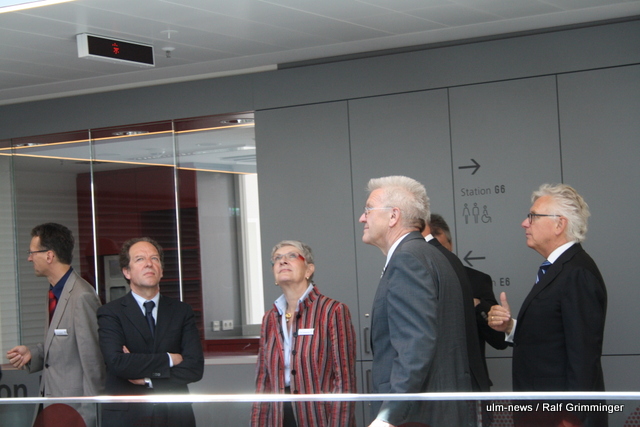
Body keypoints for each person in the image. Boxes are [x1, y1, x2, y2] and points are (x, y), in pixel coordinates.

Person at [488, 184, 607, 427]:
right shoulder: (559, 269)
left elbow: (583, 356)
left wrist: (572, 417)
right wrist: (510, 327)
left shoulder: (577, 273)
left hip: (560, 417)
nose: (524, 223)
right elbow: (553, 336)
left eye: (533, 216)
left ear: (559, 224)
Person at [359, 176, 472, 427]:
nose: (362, 218)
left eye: (368, 209)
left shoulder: (407, 259)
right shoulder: (431, 255)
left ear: (393, 216)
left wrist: (388, 416)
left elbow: (414, 345)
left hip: (417, 417)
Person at [97, 237, 204, 427]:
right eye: (140, 259)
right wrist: (170, 359)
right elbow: (118, 363)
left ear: (161, 270)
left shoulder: (182, 311)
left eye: (154, 258)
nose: (149, 263)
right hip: (128, 417)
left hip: (175, 416)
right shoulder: (110, 313)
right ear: (126, 271)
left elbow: (194, 368)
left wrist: (148, 379)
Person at [6, 223, 105, 427]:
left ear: (49, 256)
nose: (29, 258)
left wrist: (87, 419)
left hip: (74, 414)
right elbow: (65, 344)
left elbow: (94, 365)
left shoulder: (82, 296)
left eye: (32, 253)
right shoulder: (54, 292)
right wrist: (33, 354)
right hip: (53, 408)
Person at [252, 240, 357, 427]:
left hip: (319, 417)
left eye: (292, 256)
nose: (283, 261)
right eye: (277, 258)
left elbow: (344, 380)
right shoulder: (269, 318)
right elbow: (263, 381)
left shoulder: (332, 311)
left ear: (309, 270)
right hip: (278, 417)